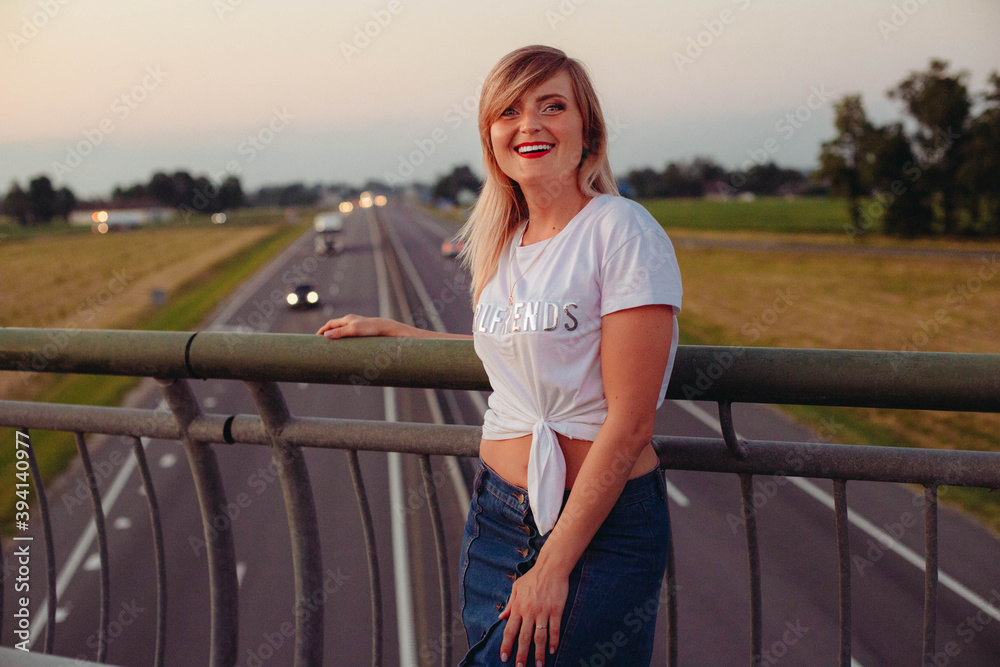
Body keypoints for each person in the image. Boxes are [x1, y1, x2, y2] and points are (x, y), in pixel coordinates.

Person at [318, 45, 683, 667]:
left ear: (586, 127)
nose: (530, 125)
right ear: (491, 134)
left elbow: (631, 421)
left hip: (593, 527)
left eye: (552, 106)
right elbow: (521, 353)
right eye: (509, 111)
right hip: (497, 517)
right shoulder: (504, 243)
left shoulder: (622, 230)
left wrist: (552, 566)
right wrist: (399, 334)